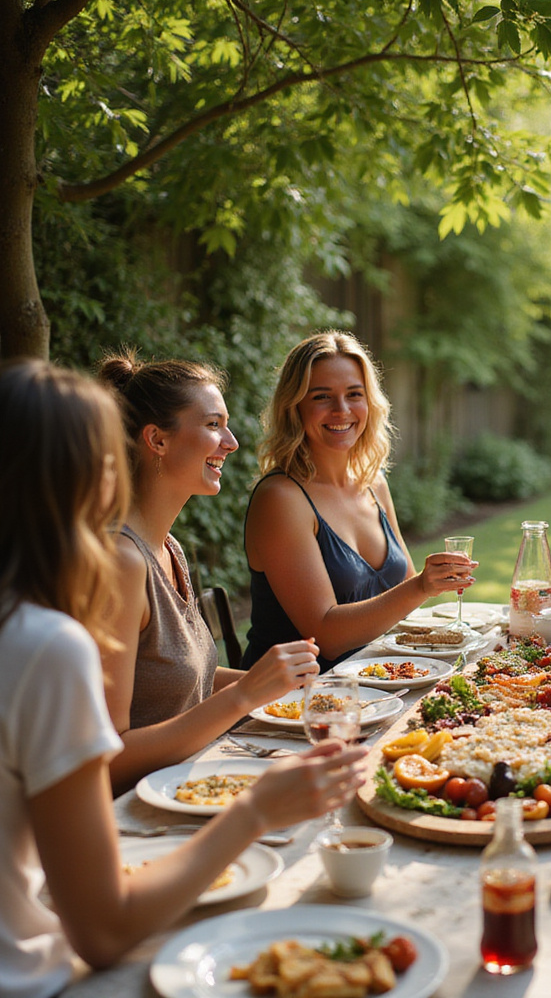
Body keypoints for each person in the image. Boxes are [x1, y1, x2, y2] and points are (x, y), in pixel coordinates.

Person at [0, 360, 364, 998]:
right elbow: (105, 929)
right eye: (101, 453)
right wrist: (255, 808)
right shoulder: (48, 636)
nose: (230, 443)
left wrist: (272, 685)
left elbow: (177, 677)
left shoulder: (159, 551)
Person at [98, 352, 321, 794]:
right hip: (138, 824)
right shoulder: (121, 563)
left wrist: (294, 689)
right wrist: (245, 695)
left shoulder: (169, 548)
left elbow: (180, 679)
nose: (232, 442)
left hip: (192, 785)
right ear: (157, 440)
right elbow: (108, 759)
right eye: (213, 424)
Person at [242, 331, 475, 672]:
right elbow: (326, 637)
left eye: (354, 394)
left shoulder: (373, 483)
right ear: (294, 407)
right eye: (322, 397)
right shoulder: (281, 498)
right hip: (295, 703)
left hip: (376, 683)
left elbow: (405, 590)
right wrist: (422, 586)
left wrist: (433, 592)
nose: (342, 410)